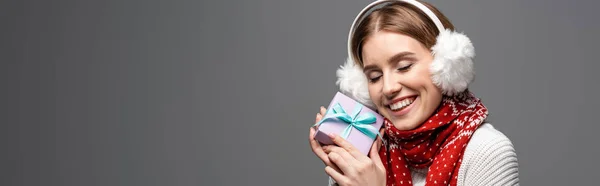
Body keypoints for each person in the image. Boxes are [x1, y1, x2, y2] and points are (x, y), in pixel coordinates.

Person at [308, 0, 519, 185]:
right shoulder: (363, 155)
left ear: (446, 65)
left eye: (404, 66)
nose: (389, 87)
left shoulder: (487, 152)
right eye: (374, 77)